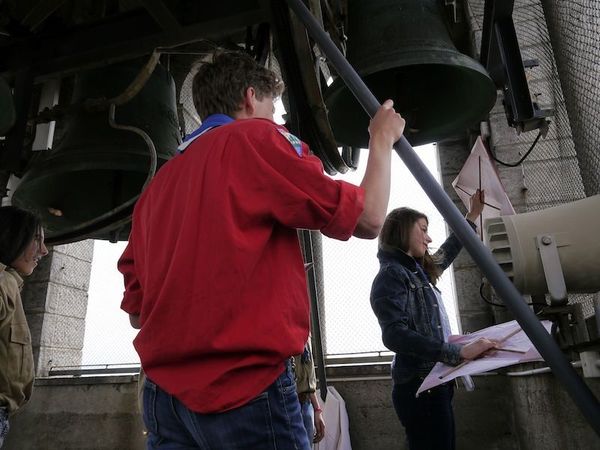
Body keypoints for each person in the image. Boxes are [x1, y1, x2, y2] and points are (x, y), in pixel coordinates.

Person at [118, 49, 405, 449]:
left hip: (165, 400)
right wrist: (382, 137)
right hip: (243, 391)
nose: (275, 118)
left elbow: (136, 314)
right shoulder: (255, 137)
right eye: (273, 107)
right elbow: (371, 217)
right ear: (251, 98)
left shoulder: (157, 187)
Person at [370, 190, 497, 450]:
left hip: (433, 382)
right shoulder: (391, 275)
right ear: (404, 231)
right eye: (423, 230)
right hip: (420, 386)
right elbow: (394, 334)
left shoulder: (417, 272)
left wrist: (471, 215)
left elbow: (446, 253)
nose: (429, 238)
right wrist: (457, 351)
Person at [0, 206, 48, 448]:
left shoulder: (9, 283)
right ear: (13, 237)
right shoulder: (2, 283)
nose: (44, 250)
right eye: (36, 240)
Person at [293, 341, 325, 444]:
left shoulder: (305, 334)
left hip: (306, 403)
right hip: (288, 404)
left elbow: (308, 377)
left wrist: (317, 409)